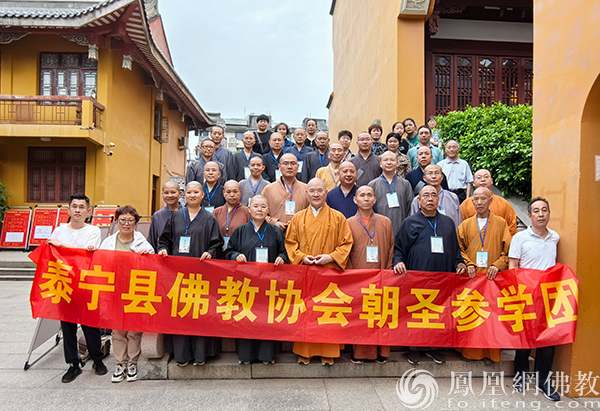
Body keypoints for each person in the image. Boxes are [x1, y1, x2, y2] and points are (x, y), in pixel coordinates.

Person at [393, 185, 466, 365]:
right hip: (416, 276)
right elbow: (399, 248)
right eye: (426, 195)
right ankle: (413, 348)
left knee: (437, 312)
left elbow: (455, 250)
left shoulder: (448, 223)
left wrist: (459, 263)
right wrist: (398, 262)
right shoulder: (410, 222)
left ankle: (433, 347)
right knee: (416, 312)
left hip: (442, 277)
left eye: (434, 195)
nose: (430, 198)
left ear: (439, 199)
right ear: (419, 200)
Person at [286, 178, 354, 365]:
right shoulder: (298, 218)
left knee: (328, 312)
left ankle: (328, 352)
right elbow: (290, 244)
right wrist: (302, 257)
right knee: (306, 313)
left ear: (326, 193)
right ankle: (305, 352)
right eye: (312, 191)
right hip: (306, 273)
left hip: (329, 273)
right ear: (306, 193)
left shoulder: (338, 217)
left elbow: (346, 243)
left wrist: (331, 257)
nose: (316, 194)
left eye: (319, 191)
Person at [157, 181, 224, 366]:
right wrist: (163, 250)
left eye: (196, 192)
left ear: (202, 195)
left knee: (200, 313)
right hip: (177, 275)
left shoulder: (210, 218)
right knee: (182, 314)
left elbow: (217, 243)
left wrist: (210, 252)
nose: (192, 195)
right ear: (183, 195)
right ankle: (182, 355)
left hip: (201, 275)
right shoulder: (176, 216)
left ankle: (201, 355)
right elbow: (164, 240)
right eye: (189, 192)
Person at [47, 193, 107, 383]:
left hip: (86, 284)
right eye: (75, 206)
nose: (78, 210)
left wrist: (62, 247)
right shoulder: (59, 230)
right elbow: (53, 254)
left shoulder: (93, 231)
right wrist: (61, 248)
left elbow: (84, 257)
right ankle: (73, 364)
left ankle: (97, 359)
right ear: (68, 210)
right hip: (65, 284)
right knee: (68, 326)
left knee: (91, 324)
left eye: (82, 207)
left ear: (88, 211)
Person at [225, 195, 288, 364]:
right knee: (247, 317)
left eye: (263, 207)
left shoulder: (275, 231)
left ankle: (267, 355)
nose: (259, 210)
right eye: (256, 206)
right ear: (249, 208)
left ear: (268, 210)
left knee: (267, 318)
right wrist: (236, 255)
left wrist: (282, 257)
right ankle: (246, 355)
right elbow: (229, 251)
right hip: (246, 283)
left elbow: (284, 252)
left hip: (269, 283)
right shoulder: (240, 230)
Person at [509, 197, 561, 401]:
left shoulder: (555, 237)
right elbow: (513, 266)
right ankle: (520, 375)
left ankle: (544, 380)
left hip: (549, 297)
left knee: (548, 340)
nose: (541, 214)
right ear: (529, 216)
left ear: (549, 213)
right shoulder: (520, 238)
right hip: (526, 295)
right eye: (536, 211)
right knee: (524, 339)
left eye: (544, 210)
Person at [456, 187, 511, 364]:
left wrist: (498, 265)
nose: (479, 203)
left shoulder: (501, 223)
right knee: (471, 314)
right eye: (476, 199)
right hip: (472, 278)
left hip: (492, 278)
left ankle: (490, 352)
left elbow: (508, 251)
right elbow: (459, 250)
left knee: (490, 316)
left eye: (483, 199)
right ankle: (469, 351)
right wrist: (468, 263)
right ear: (472, 202)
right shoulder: (464, 225)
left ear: (491, 201)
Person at [99, 205, 154, 383]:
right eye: (123, 220)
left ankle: (132, 363)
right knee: (117, 331)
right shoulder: (108, 243)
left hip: (134, 291)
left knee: (134, 330)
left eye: (131, 220)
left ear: (136, 223)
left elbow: (153, 266)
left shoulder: (142, 243)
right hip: (115, 291)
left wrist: (146, 257)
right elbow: (100, 264)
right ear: (117, 222)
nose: (126, 224)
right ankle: (119, 363)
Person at [347, 186, 394, 364]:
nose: (366, 198)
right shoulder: (348, 222)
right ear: (355, 200)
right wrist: (351, 275)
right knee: (361, 315)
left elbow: (390, 248)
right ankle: (360, 352)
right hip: (358, 276)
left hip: (381, 275)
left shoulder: (385, 222)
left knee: (380, 314)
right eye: (362, 195)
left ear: (375, 199)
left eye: (369, 195)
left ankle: (382, 351)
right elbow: (346, 252)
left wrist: (388, 271)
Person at [460, 169, 517, 236]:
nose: (483, 180)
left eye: (486, 177)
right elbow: (460, 227)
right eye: (479, 177)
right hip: (472, 243)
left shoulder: (503, 203)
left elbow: (512, 226)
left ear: (491, 181)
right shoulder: (465, 205)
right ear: (474, 183)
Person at [368, 151, 412, 237]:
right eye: (385, 160)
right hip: (378, 230)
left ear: (397, 163)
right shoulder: (372, 184)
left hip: (401, 229)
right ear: (380, 164)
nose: (389, 162)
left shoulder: (405, 184)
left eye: (392, 160)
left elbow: (410, 207)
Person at [262, 153, 309, 231]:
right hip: (275, 233)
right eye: (285, 163)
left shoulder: (306, 189)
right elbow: (260, 213)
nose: (289, 167)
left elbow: (312, 212)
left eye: (293, 163)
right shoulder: (268, 189)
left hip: (299, 233)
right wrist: (273, 222)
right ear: (279, 167)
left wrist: (298, 222)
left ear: (298, 167)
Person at [213, 180, 251, 252]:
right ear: (224, 193)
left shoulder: (247, 212)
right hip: (219, 253)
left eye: (235, 192)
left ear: (240, 192)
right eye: (228, 192)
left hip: (240, 254)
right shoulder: (216, 212)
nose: (232, 195)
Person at [148, 180, 181, 252]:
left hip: (182, 258)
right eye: (166, 193)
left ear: (180, 194)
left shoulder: (187, 214)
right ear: (162, 194)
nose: (169, 195)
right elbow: (152, 242)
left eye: (173, 192)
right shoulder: (157, 216)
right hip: (162, 257)